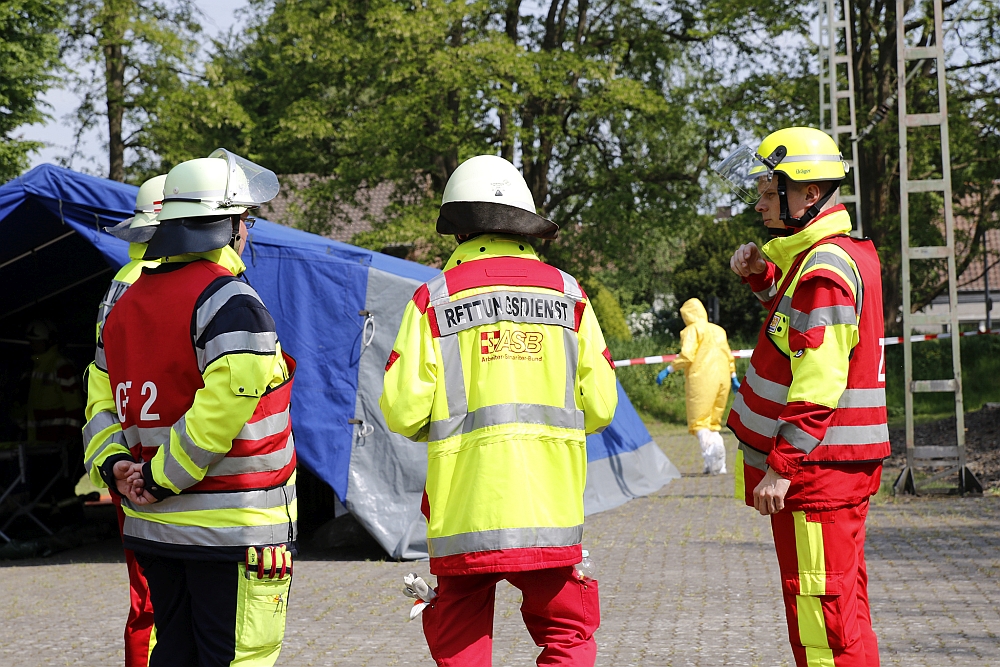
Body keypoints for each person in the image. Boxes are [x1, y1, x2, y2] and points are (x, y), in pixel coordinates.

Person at [380, 154, 619, 667]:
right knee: (568, 639)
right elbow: (601, 406)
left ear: (457, 228)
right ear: (525, 225)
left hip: (465, 512)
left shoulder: (433, 300)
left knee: (461, 646)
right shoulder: (570, 296)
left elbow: (402, 411)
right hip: (549, 512)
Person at [85, 150, 297, 667]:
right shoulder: (230, 301)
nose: (248, 229)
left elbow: (100, 407)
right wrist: (160, 477)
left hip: (155, 530)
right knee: (238, 657)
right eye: (244, 219)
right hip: (233, 530)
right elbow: (221, 410)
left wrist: (119, 470)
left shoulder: (124, 306)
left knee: (174, 655)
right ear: (227, 227)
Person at [719, 127, 888, 667]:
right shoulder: (833, 255)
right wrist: (765, 276)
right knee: (845, 612)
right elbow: (797, 323)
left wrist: (782, 466)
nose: (761, 204)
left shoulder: (822, 268)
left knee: (823, 625)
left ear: (808, 194)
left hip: (816, 473)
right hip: (832, 470)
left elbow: (817, 375)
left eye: (771, 193)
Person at [82, 173, 166, 667]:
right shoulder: (161, 284)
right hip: (163, 467)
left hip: (129, 462)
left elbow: (101, 390)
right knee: (158, 601)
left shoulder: (121, 283)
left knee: (147, 599)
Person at [655, 297, 737, 474]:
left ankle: (712, 453)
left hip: (702, 379)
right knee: (713, 422)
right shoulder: (718, 330)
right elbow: (728, 355)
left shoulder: (691, 330)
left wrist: (668, 370)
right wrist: (734, 376)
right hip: (723, 380)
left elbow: (687, 355)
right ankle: (717, 465)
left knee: (699, 422)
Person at [23, 319, 83, 444]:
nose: (33, 345)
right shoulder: (32, 367)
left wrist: (70, 437)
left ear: (48, 341)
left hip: (57, 443)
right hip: (36, 442)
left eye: (37, 342)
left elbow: (74, 406)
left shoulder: (61, 367)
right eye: (31, 342)